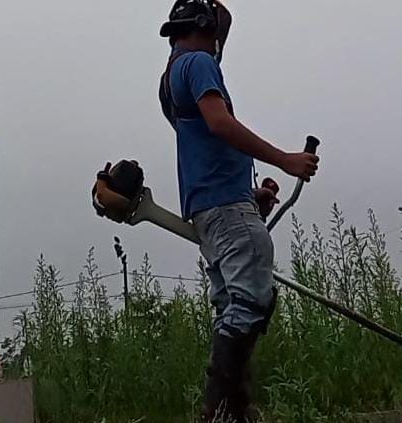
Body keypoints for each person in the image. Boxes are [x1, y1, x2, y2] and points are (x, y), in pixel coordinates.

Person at [158, 1, 319, 421]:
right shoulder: (198, 63)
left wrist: (249, 194)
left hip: (210, 206)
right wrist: (284, 160)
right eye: (217, 30)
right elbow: (220, 124)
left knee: (232, 303)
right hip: (224, 205)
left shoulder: (171, 76)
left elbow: (204, 146)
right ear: (204, 26)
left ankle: (233, 412)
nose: (220, 40)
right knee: (252, 300)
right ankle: (222, 410)